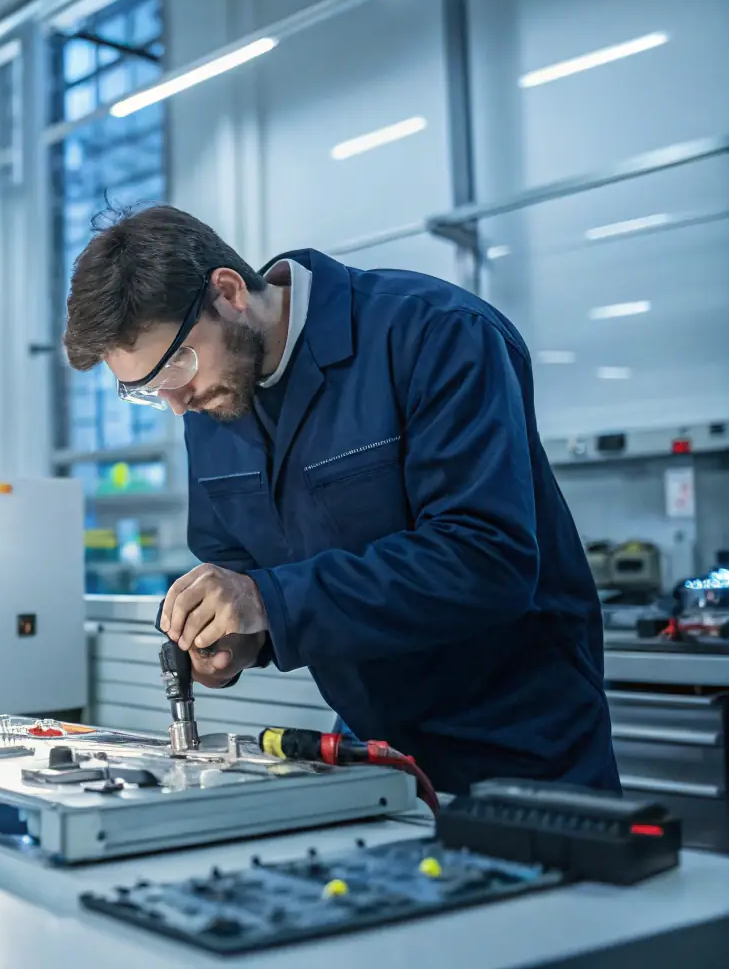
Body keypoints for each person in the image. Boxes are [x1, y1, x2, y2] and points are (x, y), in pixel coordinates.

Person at [62, 204, 619, 795]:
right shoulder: (214, 400)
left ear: (228, 293)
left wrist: (267, 601)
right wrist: (234, 638)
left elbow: (485, 558)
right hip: (371, 748)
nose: (176, 403)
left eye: (176, 365)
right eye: (149, 390)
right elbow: (242, 569)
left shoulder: (434, 332)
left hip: (522, 741)